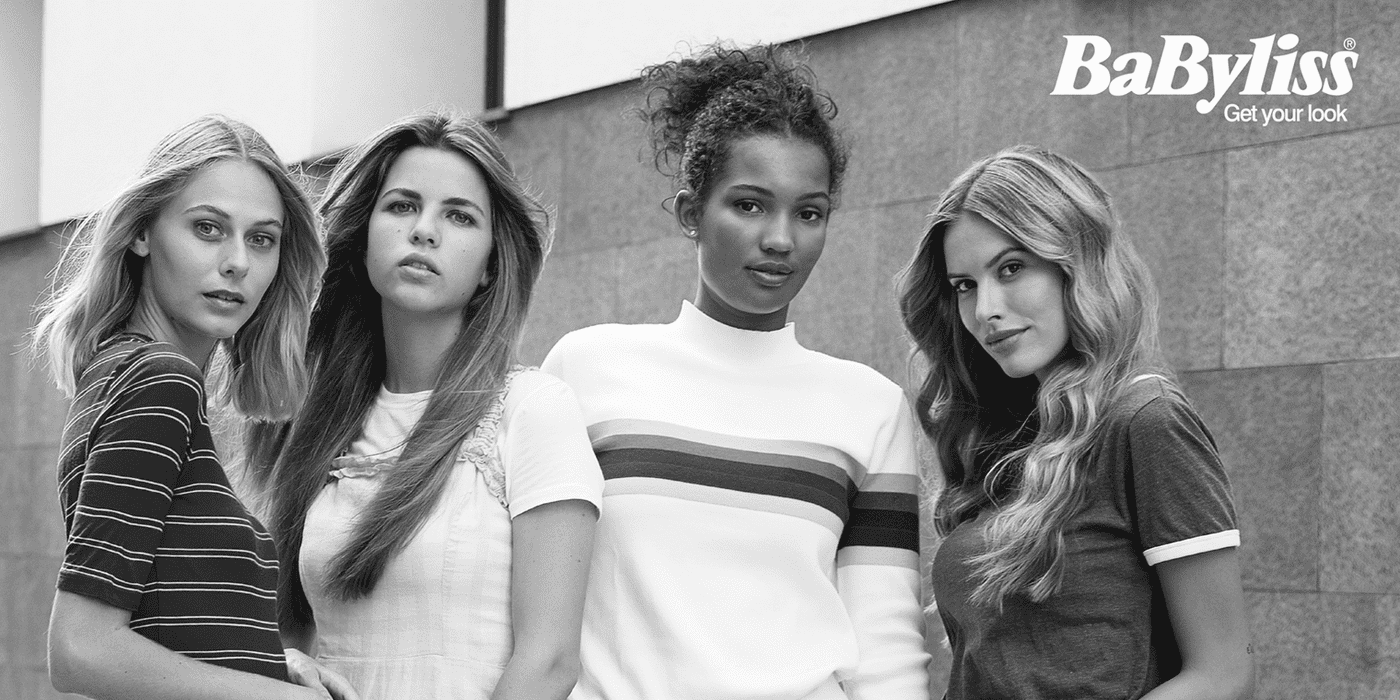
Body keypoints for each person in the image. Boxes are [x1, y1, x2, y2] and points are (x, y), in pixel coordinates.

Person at [542, 43, 931, 700]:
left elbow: (886, 650)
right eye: (750, 205)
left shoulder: (869, 407)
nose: (781, 239)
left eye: (809, 212)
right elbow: (533, 608)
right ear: (690, 213)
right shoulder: (586, 371)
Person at [246, 110, 602, 700]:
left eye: (459, 216)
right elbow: (294, 633)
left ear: (490, 265)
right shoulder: (313, 425)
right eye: (402, 206)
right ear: (363, 241)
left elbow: (550, 660)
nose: (424, 230)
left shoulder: (533, 409)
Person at [899, 146, 1254, 700]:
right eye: (964, 285)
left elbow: (1224, 674)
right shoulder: (1009, 438)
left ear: (1076, 262)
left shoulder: (1146, 420)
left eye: (1011, 268)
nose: (985, 309)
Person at [31, 115, 353, 699]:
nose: (238, 262)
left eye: (262, 239)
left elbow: (156, 618)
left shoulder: (117, 370)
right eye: (208, 228)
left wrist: (269, 661)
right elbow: (80, 648)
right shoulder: (160, 382)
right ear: (141, 232)